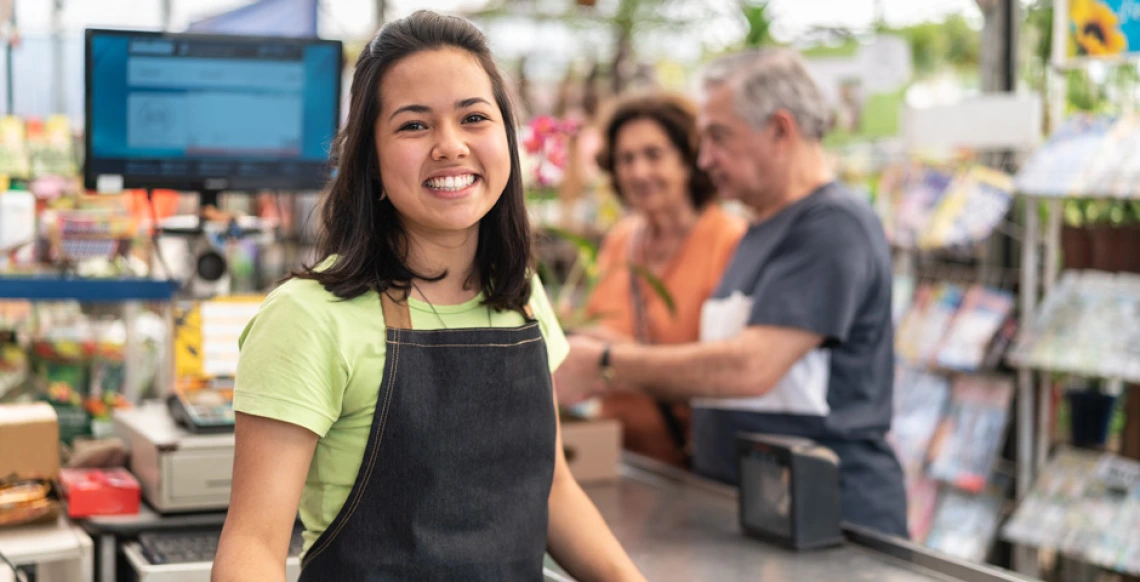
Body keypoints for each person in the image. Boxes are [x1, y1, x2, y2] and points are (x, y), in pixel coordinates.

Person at [212, 11, 644, 581]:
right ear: (368, 159)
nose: (450, 146)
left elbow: (553, 489)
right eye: (414, 126)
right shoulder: (308, 319)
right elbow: (253, 548)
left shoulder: (520, 295)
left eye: (474, 117)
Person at [555, 48, 909, 538]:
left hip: (830, 524)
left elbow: (751, 366)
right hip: (752, 512)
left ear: (780, 130)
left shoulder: (832, 227)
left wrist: (605, 363)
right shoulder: (762, 230)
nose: (705, 160)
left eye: (718, 138)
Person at [571, 92, 746, 467]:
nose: (638, 172)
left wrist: (615, 357)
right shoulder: (621, 241)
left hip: (693, 466)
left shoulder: (729, 241)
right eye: (626, 159)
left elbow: (732, 367)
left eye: (654, 155)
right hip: (614, 457)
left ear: (688, 161)